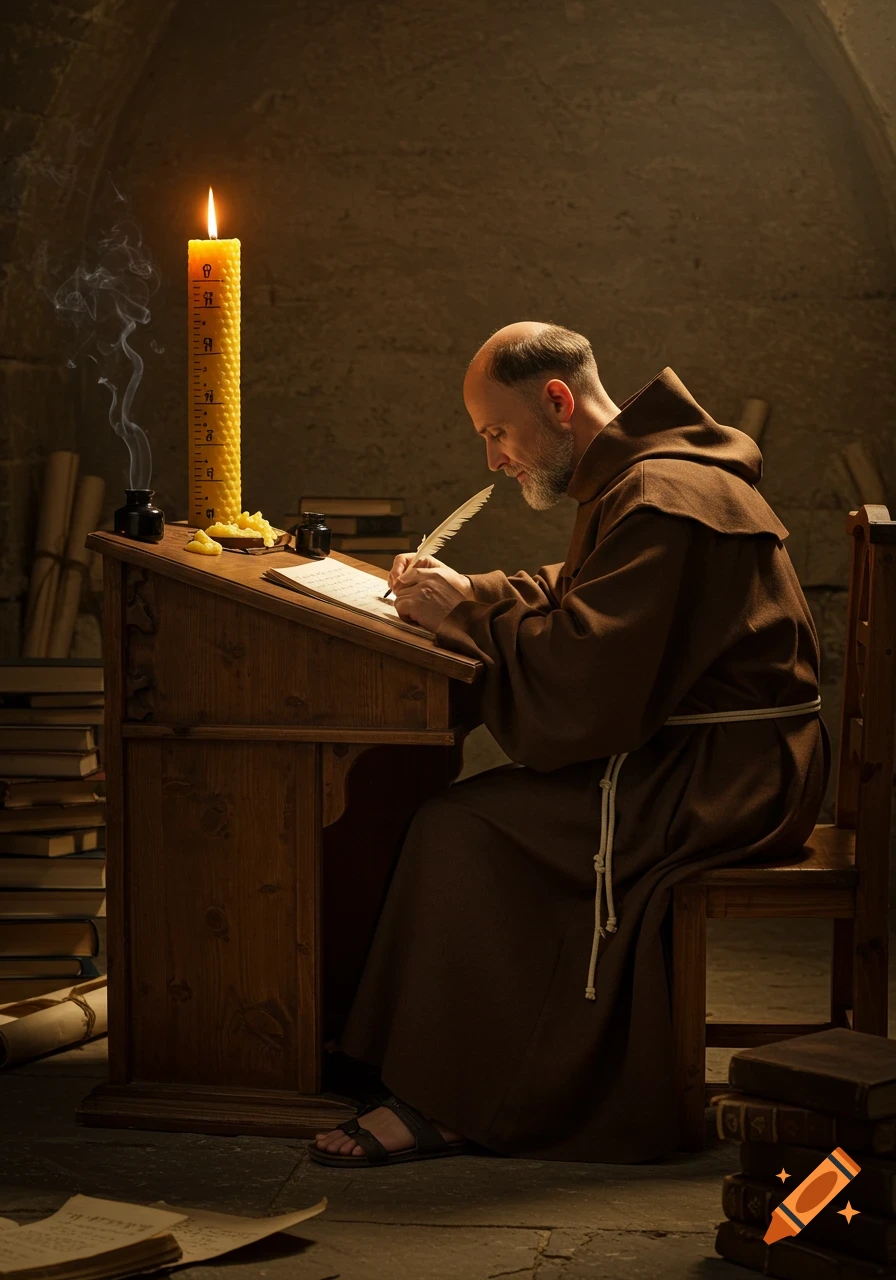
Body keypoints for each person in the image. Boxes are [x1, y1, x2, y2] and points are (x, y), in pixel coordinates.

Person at [311, 321, 829, 1167]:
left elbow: (588, 682)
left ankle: (456, 1099)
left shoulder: (664, 492)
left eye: (496, 433)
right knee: (465, 820)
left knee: (462, 831)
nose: (493, 460)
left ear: (556, 402)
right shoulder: (644, 478)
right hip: (711, 760)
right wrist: (471, 590)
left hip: (725, 778)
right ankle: (411, 1063)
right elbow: (589, 594)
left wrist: (469, 616)